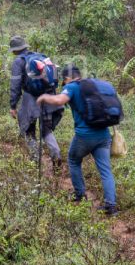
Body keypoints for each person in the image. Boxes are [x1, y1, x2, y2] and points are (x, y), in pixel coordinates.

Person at [37, 66, 118, 215]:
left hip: (85, 136)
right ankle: (111, 206)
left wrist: (44, 97)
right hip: (104, 134)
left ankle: (79, 194)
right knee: (105, 170)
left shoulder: (72, 87)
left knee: (73, 160)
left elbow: (60, 100)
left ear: (67, 78)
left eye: (64, 80)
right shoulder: (94, 85)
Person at [8, 36, 62, 175]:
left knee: (29, 132)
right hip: (49, 98)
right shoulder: (42, 57)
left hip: (30, 101)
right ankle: (56, 157)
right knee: (47, 131)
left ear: (15, 50)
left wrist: (13, 106)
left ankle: (35, 161)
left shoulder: (18, 62)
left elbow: (15, 85)